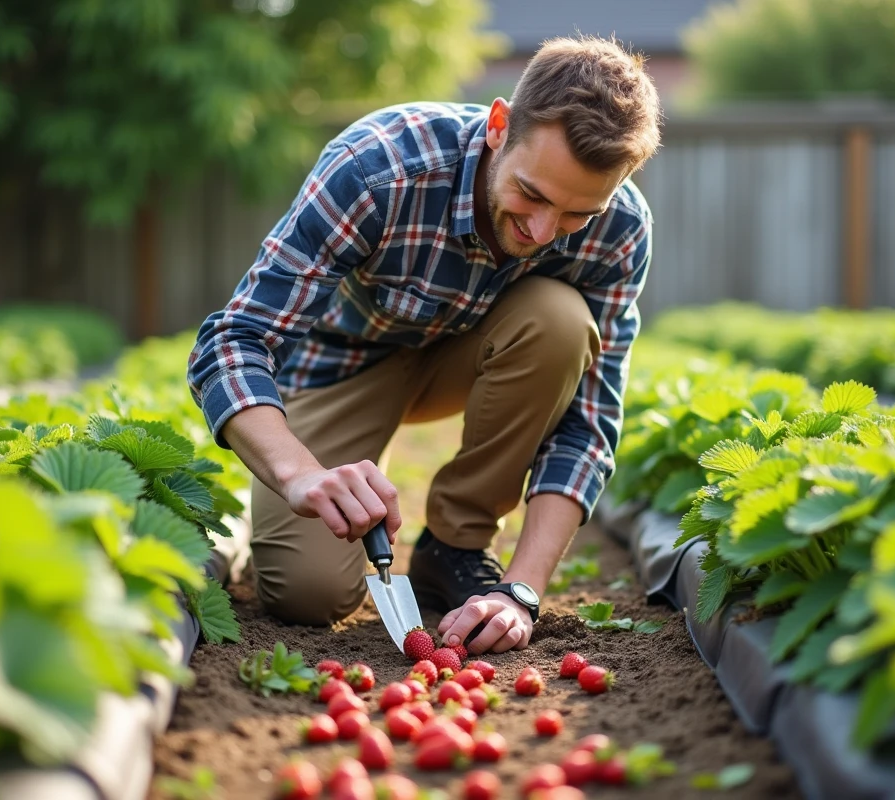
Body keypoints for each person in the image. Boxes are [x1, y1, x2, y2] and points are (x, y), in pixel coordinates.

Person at [188, 34, 660, 656]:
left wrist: (522, 591)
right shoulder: (377, 168)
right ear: (498, 125)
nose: (543, 231)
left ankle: (455, 546)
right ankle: (342, 489)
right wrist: (301, 475)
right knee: (305, 595)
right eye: (533, 194)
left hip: (479, 360)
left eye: (576, 215)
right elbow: (233, 339)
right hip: (341, 369)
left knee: (561, 319)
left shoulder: (621, 230)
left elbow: (588, 423)